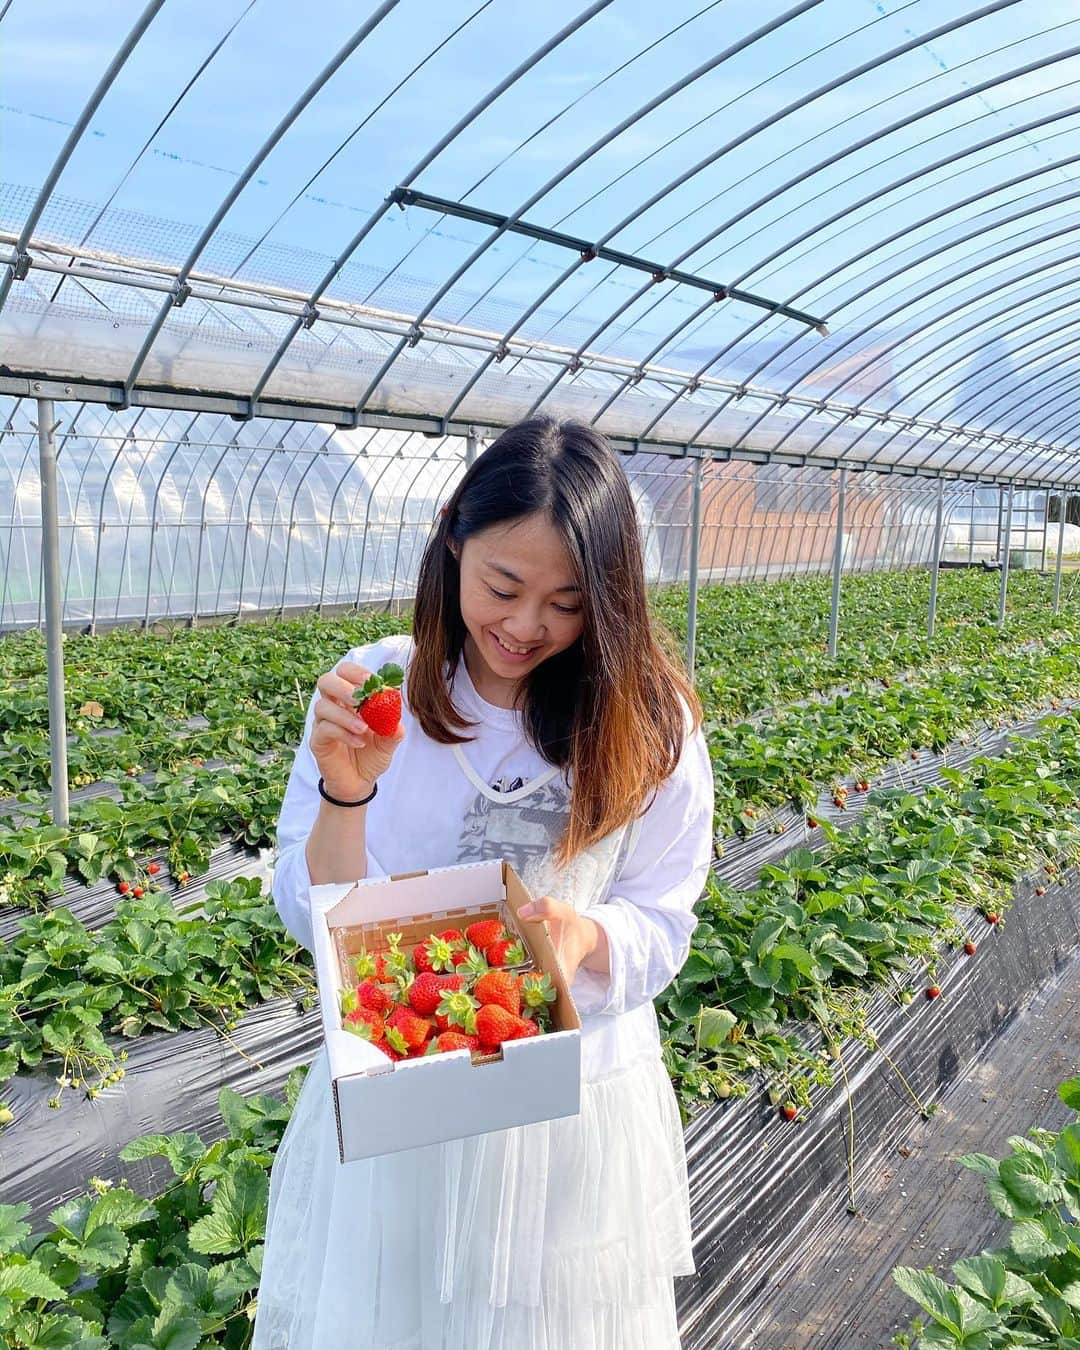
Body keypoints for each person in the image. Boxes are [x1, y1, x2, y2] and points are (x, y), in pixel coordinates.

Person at [252, 416, 715, 1350]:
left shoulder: (650, 722)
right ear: (452, 535)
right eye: (503, 586)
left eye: (568, 602)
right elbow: (318, 914)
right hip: (406, 1100)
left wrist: (586, 941)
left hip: (570, 1113)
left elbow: (665, 918)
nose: (525, 625)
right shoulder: (380, 686)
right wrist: (348, 791)